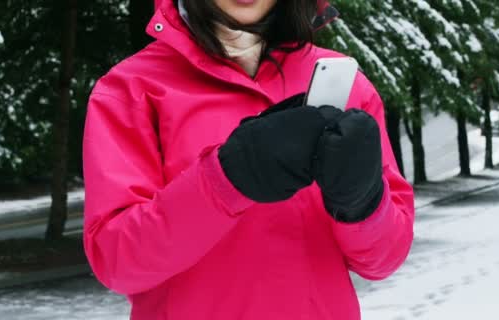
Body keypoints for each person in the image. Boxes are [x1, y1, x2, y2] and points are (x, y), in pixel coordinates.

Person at [81, 0, 415, 319]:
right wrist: (225, 180)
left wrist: (362, 203)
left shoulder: (347, 85)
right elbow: (117, 262)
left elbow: (383, 259)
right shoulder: (131, 89)